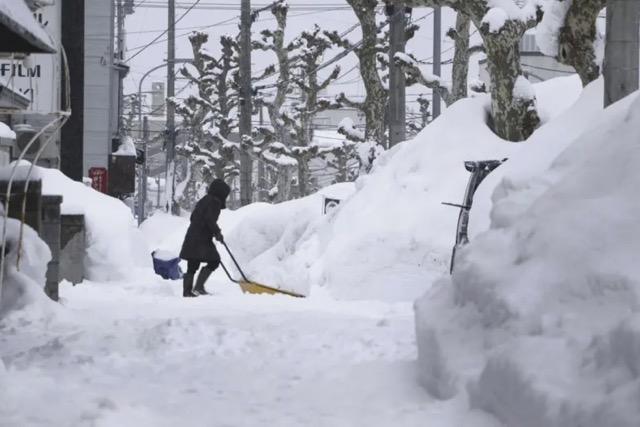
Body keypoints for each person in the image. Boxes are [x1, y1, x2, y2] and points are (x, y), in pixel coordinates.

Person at [179, 179, 231, 297]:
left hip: (193, 235)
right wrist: (217, 233)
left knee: (192, 263)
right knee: (214, 261)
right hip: (201, 239)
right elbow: (209, 219)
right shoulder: (214, 202)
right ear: (221, 193)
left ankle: (187, 291)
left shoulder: (205, 200)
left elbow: (194, 217)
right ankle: (199, 287)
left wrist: (211, 231)